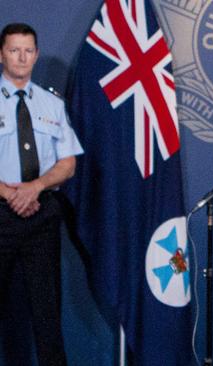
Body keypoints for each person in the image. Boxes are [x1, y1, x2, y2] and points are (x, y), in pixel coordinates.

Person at [0, 23, 83, 366]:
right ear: (1, 54)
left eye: (28, 50)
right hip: (0, 214)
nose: (22, 57)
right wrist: (9, 193)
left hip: (42, 214)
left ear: (35, 54)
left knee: (47, 315)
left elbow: (68, 164)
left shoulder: (51, 103)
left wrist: (34, 188)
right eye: (14, 50)